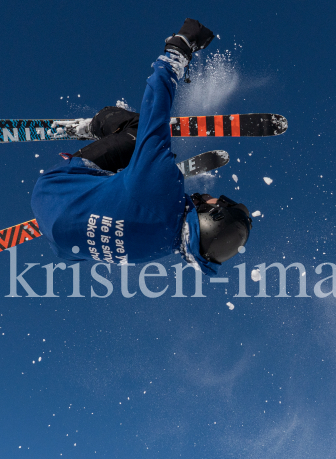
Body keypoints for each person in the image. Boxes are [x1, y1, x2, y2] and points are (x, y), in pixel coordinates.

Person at [31, 18, 252, 276]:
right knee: (128, 187)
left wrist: (178, 50)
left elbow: (154, 113)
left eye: (222, 201)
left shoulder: (161, 192)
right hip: (59, 238)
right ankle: (119, 177)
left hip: (57, 186)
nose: (216, 197)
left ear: (214, 217)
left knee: (136, 131)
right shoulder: (157, 250)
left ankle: (97, 126)